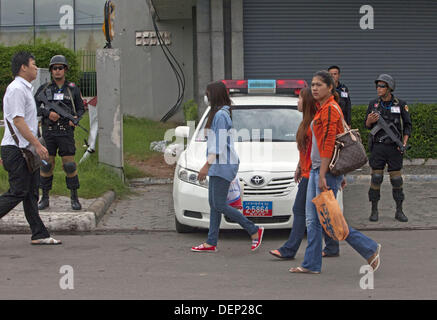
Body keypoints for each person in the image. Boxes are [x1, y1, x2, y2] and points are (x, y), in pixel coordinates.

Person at [289, 70, 380, 274]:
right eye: (312, 84)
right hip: (316, 171)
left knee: (331, 220)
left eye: (319, 85)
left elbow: (330, 144)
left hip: (323, 173)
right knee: (313, 221)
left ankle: (369, 247)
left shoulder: (330, 109)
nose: (314, 88)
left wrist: (323, 174)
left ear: (330, 87)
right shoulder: (322, 109)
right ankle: (311, 264)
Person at [192, 81, 264, 253]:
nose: (206, 96)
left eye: (208, 93)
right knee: (215, 204)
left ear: (214, 95)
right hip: (219, 165)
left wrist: (205, 166)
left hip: (221, 165)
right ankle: (211, 242)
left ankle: (253, 229)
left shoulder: (221, 116)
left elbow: (219, 144)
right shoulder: (219, 114)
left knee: (219, 204)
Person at [0, 51, 61, 245]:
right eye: (33, 64)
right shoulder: (16, 89)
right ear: (23, 67)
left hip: (26, 151)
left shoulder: (26, 89)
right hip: (18, 150)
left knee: (31, 192)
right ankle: (39, 233)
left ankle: (39, 234)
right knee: (18, 191)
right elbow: (18, 121)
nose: (36, 68)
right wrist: (37, 144)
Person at [269, 87, 317, 259]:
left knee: (300, 210)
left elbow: (316, 153)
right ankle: (333, 245)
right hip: (307, 172)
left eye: (300, 99)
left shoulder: (312, 125)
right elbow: (306, 152)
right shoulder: (306, 122)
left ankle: (289, 250)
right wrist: (299, 166)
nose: (297, 102)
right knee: (325, 213)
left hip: (311, 175)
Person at [34, 55, 85, 211]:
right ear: (51, 70)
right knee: (46, 165)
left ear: (65, 70)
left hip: (65, 132)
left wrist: (75, 118)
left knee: (69, 165)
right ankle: (45, 197)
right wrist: (47, 113)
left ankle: (74, 197)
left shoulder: (72, 89)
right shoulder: (44, 89)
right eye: (54, 68)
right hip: (49, 131)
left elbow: (81, 109)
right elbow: (33, 107)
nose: (57, 71)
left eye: (60, 68)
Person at [365, 74, 412, 222]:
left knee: (397, 180)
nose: (379, 89)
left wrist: (404, 142)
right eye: (377, 86)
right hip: (378, 147)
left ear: (389, 88)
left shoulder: (400, 104)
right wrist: (369, 121)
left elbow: (408, 126)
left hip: (394, 148)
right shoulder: (373, 104)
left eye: (382, 86)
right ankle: (374, 210)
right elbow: (367, 126)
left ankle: (399, 211)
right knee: (376, 178)